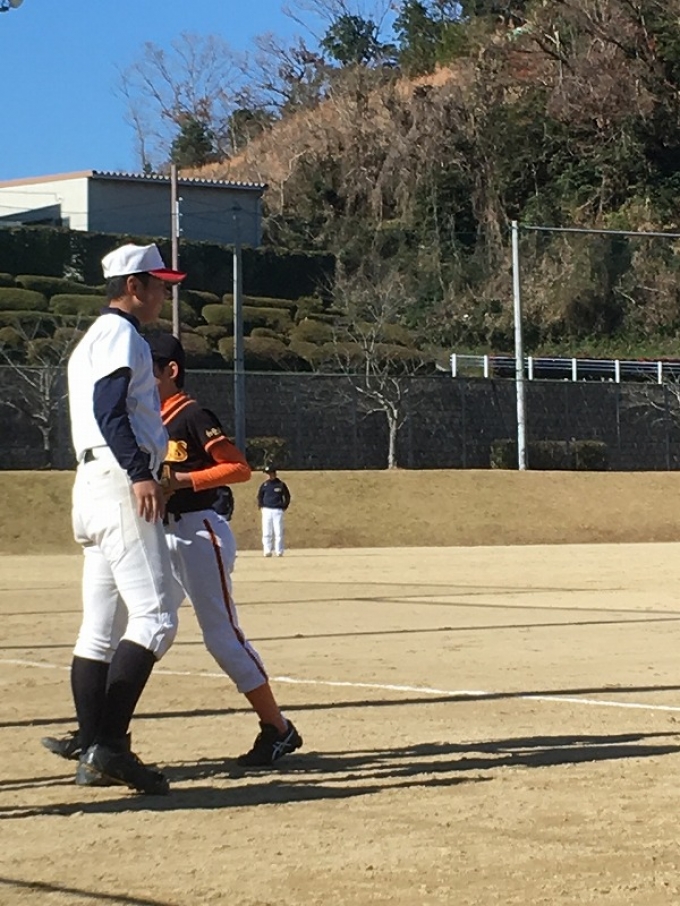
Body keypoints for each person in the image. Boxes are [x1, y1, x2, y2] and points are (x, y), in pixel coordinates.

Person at [44, 333, 303, 768]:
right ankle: (98, 733)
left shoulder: (191, 414)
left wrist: (182, 480)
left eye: (151, 368)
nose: (142, 376)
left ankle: (277, 728)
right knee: (135, 628)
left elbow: (238, 467)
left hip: (198, 529)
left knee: (220, 636)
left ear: (171, 371)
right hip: (157, 531)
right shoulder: (144, 417)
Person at [46, 242, 187, 795]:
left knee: (100, 630)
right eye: (158, 285)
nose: (163, 295)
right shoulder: (120, 334)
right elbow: (110, 409)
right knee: (156, 617)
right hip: (117, 478)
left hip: (91, 482)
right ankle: (108, 745)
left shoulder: (91, 339)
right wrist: (139, 472)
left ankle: (92, 746)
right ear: (134, 286)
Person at [257, 466, 291, 557]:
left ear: (274, 474)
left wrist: (284, 506)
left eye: (270, 474)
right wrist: (261, 505)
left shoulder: (280, 485)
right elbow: (260, 496)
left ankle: (279, 550)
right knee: (266, 531)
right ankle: (267, 550)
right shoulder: (265, 485)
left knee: (278, 531)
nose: (269, 476)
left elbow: (287, 496)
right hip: (267, 510)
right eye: (268, 474)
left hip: (277, 510)